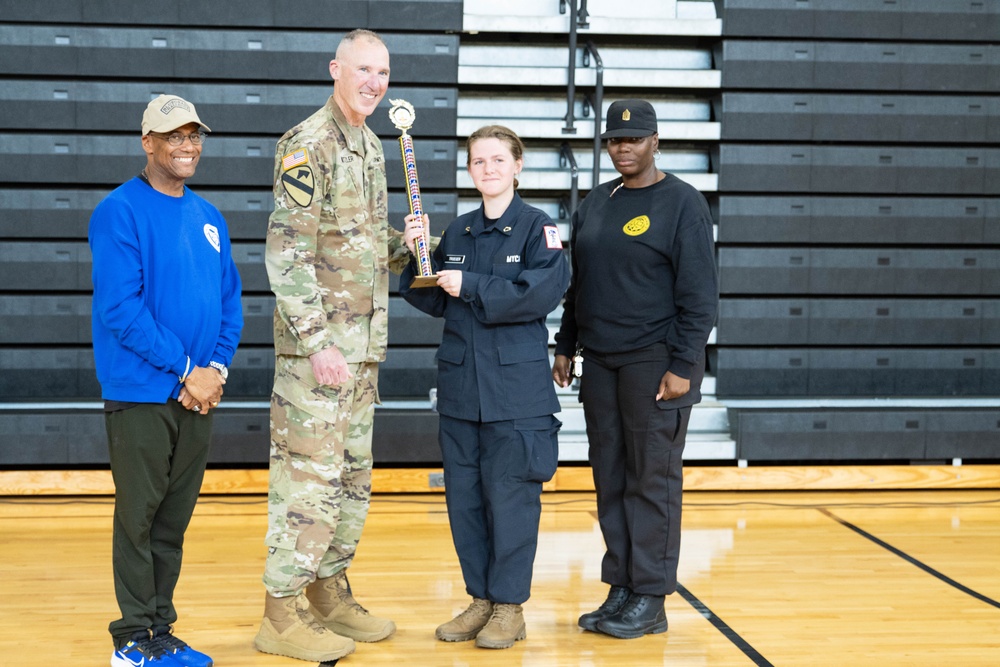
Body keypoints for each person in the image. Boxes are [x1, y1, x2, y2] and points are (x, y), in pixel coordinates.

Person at [255, 29, 425, 663]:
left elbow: (355, 238)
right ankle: (280, 613)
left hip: (363, 351)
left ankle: (327, 595)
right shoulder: (309, 145)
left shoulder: (374, 145)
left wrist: (408, 244)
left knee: (351, 481)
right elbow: (288, 252)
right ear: (336, 70)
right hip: (319, 355)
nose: (374, 82)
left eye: (383, 72)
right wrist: (318, 341)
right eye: (363, 69)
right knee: (309, 484)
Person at [552, 99, 718, 639]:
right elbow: (581, 283)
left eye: (635, 139)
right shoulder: (596, 203)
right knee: (611, 480)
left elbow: (700, 297)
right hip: (600, 363)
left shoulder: (682, 204)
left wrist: (684, 366)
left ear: (655, 141)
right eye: (616, 140)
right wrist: (566, 344)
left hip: (655, 364)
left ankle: (651, 596)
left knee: (651, 481)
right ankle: (621, 584)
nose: (624, 148)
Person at [399, 125, 569, 650]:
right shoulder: (459, 232)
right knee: (466, 503)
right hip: (461, 394)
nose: (488, 169)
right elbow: (431, 299)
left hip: (515, 398)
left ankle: (509, 606)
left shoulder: (539, 230)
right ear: (469, 171)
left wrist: (471, 284)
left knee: (512, 502)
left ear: (518, 165)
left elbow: (538, 295)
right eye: (478, 161)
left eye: (498, 159)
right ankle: (480, 599)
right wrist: (416, 256)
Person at [89, 94, 243, 667]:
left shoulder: (209, 216)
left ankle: (160, 629)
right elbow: (121, 309)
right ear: (147, 142)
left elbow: (230, 302)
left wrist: (215, 371)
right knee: (139, 517)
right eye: (173, 136)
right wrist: (186, 370)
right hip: (141, 392)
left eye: (194, 135)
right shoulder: (118, 211)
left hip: (199, 395)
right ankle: (132, 641)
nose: (187, 146)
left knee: (172, 520)